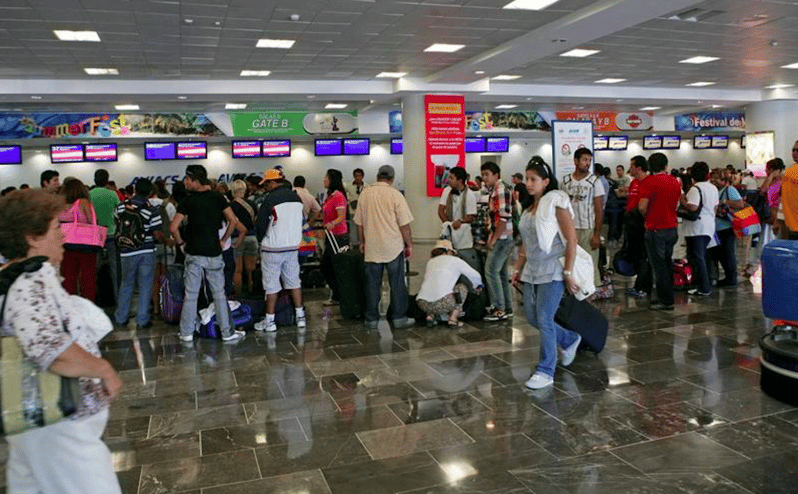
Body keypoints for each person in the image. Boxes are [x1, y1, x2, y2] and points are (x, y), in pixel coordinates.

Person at [0, 189, 123, 494]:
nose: (65, 237)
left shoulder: (19, 277)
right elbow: (48, 347)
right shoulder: (30, 281)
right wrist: (103, 368)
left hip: (35, 423)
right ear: (32, 237)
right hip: (57, 425)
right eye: (57, 228)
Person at [511, 158, 582, 390]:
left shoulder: (556, 203)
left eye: (534, 179)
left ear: (546, 182)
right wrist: (517, 268)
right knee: (532, 317)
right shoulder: (529, 207)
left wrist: (568, 272)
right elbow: (526, 243)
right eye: (527, 178)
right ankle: (569, 339)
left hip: (553, 269)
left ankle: (546, 369)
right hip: (533, 269)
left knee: (544, 318)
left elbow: (571, 239)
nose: (529, 183)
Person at [170, 165, 245, 343]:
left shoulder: (187, 202)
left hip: (194, 253)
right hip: (214, 252)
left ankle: (186, 332)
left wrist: (180, 243)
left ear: (196, 181)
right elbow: (233, 221)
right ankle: (227, 333)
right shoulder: (218, 198)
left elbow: (173, 228)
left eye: (188, 179)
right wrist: (224, 240)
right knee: (219, 294)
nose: (185, 183)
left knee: (191, 295)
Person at [354, 165, 415, 330]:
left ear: (377, 176)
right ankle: (399, 318)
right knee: (397, 284)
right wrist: (409, 244)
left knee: (372, 284)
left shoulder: (365, 194)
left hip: (372, 247)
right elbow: (404, 225)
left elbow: (359, 224)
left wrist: (362, 242)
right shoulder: (395, 195)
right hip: (393, 247)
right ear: (392, 179)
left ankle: (372, 318)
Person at [253, 168, 307, 333]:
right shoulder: (296, 197)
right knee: (294, 282)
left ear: (272, 182)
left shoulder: (270, 199)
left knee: (272, 286)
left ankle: (270, 321)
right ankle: (300, 317)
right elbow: (302, 220)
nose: (265, 187)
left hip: (272, 249)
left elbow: (261, 225)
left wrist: (262, 240)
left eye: (266, 184)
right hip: (292, 247)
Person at [114, 178, 163, 329]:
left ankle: (121, 317)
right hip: (146, 251)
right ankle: (142, 319)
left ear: (135, 189)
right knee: (146, 284)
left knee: (126, 284)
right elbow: (157, 234)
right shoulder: (151, 210)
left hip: (126, 252)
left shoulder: (121, 207)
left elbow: (118, 224)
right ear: (150, 192)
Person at [638, 153, 682, 311]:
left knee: (659, 266)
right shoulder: (675, 181)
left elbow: (642, 207)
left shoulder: (649, 182)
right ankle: (668, 296)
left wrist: (648, 216)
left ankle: (666, 300)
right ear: (665, 165)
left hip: (656, 228)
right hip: (672, 227)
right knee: (667, 263)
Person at [561, 148, 605, 286]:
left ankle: (589, 298)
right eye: (585, 160)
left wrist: (597, 234)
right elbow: (561, 208)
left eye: (589, 160)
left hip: (588, 229)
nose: (587, 163)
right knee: (571, 265)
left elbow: (599, 209)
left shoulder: (595, 182)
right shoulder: (565, 181)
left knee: (589, 265)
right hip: (570, 230)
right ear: (576, 161)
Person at [417, 239, 483, 327]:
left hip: (422, 304)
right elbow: (475, 275)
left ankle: (430, 316)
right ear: (448, 251)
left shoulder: (430, 262)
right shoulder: (454, 260)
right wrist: (478, 286)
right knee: (461, 288)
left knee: (435, 288)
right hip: (443, 303)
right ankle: (453, 319)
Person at [480, 161, 514, 321]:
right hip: (504, 237)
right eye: (483, 175)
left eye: (487, 174)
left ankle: (499, 308)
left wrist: (493, 239)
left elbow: (503, 217)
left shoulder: (500, 189)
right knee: (500, 272)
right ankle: (507, 307)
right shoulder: (497, 189)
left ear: (496, 175)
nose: (484, 178)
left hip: (502, 237)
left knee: (491, 271)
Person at [681, 162, 719, 297]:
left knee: (697, 257)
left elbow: (692, 207)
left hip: (697, 228)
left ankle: (704, 287)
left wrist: (682, 201)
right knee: (700, 256)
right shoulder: (713, 188)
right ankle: (699, 285)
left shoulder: (695, 189)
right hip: (708, 226)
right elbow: (715, 208)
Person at [59, 177, 99, 302]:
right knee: (88, 278)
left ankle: (70, 306)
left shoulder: (60, 204)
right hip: (86, 245)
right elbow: (94, 221)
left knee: (69, 277)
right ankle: (89, 305)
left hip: (66, 245)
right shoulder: (84, 203)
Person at [437, 167, 479, 272]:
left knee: (463, 262)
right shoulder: (447, 191)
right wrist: (447, 224)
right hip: (449, 232)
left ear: (460, 180)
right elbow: (441, 210)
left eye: (451, 178)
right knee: (448, 261)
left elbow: (471, 216)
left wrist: (460, 221)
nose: (448, 180)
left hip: (464, 236)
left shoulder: (470, 195)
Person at [89, 169, 121, 302]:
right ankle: (118, 299)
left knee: (94, 269)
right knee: (115, 270)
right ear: (107, 180)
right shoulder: (112, 194)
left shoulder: (88, 194)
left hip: (94, 236)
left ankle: (95, 298)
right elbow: (119, 212)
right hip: (111, 235)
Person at [709, 168, 743, 287]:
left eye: (716, 178)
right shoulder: (714, 190)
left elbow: (740, 204)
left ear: (723, 180)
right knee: (721, 254)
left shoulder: (730, 190)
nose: (713, 180)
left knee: (728, 254)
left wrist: (724, 201)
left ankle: (731, 279)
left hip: (728, 227)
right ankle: (728, 277)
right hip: (718, 227)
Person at [320, 169, 349, 306]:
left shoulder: (338, 196)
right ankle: (337, 294)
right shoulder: (329, 196)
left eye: (326, 177)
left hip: (338, 236)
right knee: (327, 265)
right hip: (330, 235)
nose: (324, 180)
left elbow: (342, 216)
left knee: (334, 266)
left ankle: (339, 295)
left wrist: (332, 223)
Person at [624, 156, 651, 298]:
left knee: (643, 256)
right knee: (635, 254)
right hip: (631, 223)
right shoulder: (634, 182)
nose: (630, 169)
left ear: (639, 168)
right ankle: (638, 285)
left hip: (642, 223)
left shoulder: (648, 182)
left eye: (632, 166)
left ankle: (642, 287)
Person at [230, 180, 259, 296]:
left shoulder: (231, 206)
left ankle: (238, 295)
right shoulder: (252, 204)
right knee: (250, 269)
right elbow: (256, 220)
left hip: (236, 238)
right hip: (252, 237)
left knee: (237, 270)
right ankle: (252, 292)